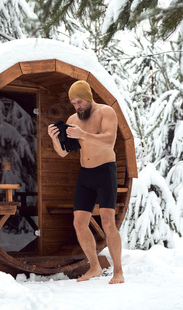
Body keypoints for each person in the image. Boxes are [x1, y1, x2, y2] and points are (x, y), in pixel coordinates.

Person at [47, 80, 125, 284]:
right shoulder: (73, 119)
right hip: (85, 174)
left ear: (88, 98)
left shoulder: (106, 112)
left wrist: (84, 135)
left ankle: (118, 271)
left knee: (108, 221)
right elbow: (64, 152)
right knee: (79, 223)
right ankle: (94, 267)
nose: (77, 106)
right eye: (73, 103)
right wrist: (55, 139)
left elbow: (109, 140)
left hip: (105, 171)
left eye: (80, 101)